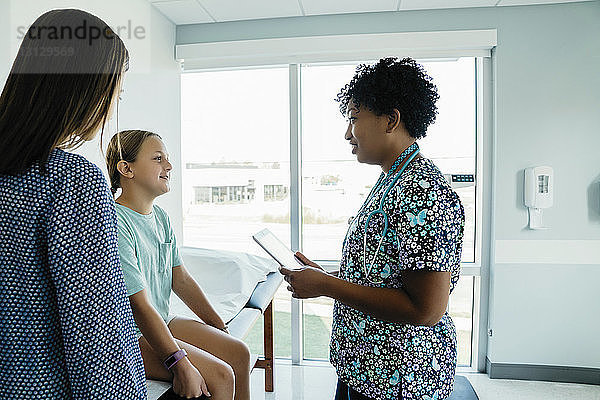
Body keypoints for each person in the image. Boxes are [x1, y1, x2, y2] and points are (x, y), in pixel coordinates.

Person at [280, 57, 465, 400]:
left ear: (391, 120)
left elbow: (426, 309)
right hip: (366, 371)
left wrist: (327, 286)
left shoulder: (420, 190)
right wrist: (329, 276)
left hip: (399, 379)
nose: (348, 133)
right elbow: (383, 273)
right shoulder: (392, 181)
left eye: (354, 119)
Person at [0, 9, 146, 399]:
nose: (111, 107)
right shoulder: (70, 181)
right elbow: (97, 334)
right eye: (114, 92)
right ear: (86, 90)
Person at [105, 129, 252, 400]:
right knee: (222, 375)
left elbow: (180, 278)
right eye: (158, 158)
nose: (169, 166)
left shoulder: (160, 217)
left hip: (162, 319)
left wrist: (217, 325)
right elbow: (139, 306)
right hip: (132, 335)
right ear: (126, 168)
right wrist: (179, 363)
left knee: (239, 353)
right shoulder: (115, 222)